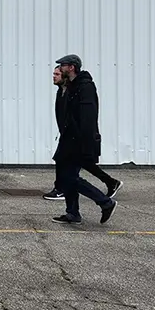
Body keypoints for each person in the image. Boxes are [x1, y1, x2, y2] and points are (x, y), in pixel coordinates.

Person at [50, 54, 117, 224]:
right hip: (67, 141)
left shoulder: (85, 87)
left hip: (78, 141)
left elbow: (88, 117)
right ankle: (73, 212)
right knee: (66, 178)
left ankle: (105, 202)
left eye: (62, 66)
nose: (60, 69)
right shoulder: (69, 87)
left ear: (71, 67)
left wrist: (85, 144)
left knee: (70, 178)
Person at [43, 65, 124, 201]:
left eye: (57, 74)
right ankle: (110, 183)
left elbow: (84, 115)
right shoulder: (61, 91)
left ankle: (64, 191)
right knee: (77, 163)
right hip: (67, 135)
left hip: (76, 136)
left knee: (69, 168)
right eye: (54, 74)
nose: (54, 76)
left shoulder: (74, 90)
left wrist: (81, 136)